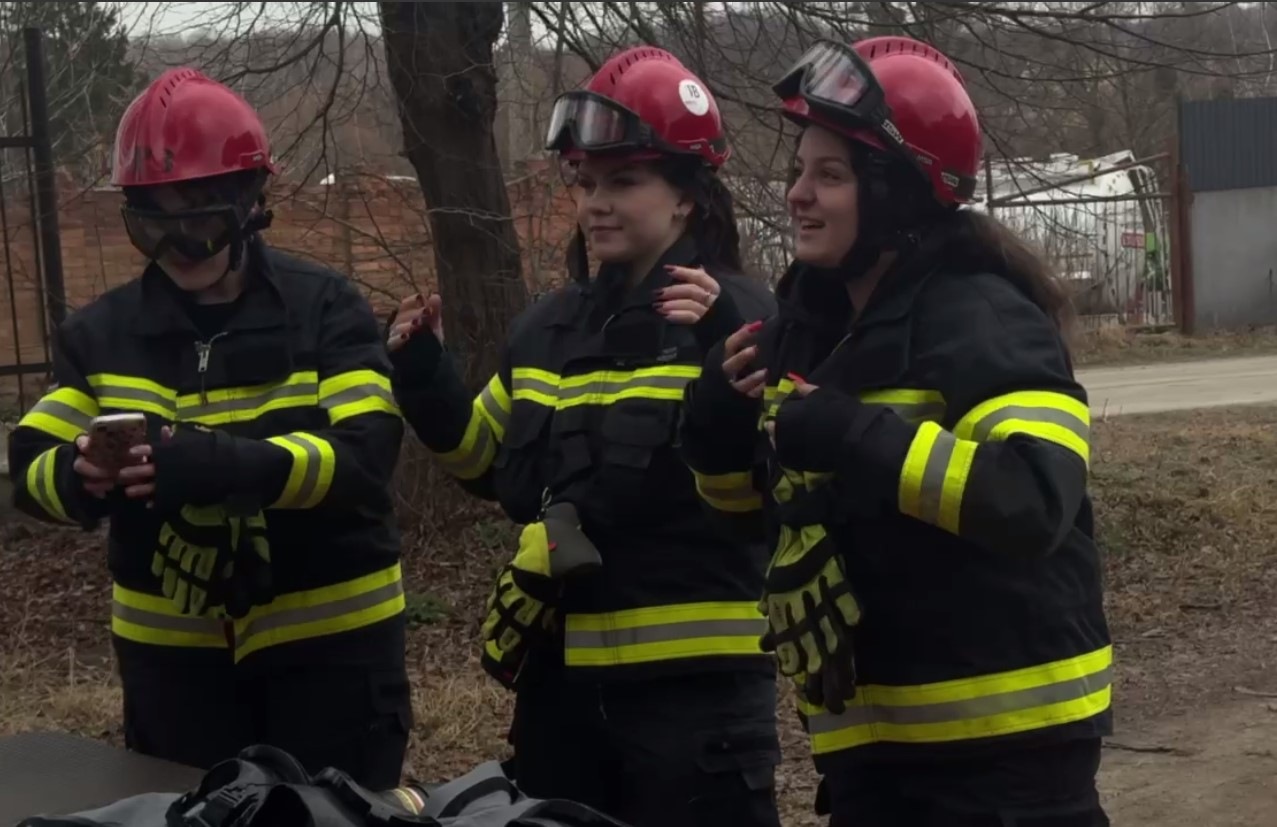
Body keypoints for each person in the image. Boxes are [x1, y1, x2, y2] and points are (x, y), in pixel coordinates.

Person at [676, 36, 1114, 827]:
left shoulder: (983, 318)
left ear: (897, 194)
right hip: (874, 765)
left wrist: (851, 434)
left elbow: (1032, 500)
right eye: (798, 170)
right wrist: (711, 427)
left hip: (1008, 771)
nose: (796, 194)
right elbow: (746, 520)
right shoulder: (809, 333)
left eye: (829, 175)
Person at [387, 46, 781, 827]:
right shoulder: (547, 329)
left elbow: (779, 480)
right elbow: (484, 459)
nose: (596, 203)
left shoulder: (743, 319)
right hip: (559, 693)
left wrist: (725, 346)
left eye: (623, 182)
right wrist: (424, 376)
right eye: (585, 183)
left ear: (687, 196)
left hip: (694, 700)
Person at [6, 68, 411, 788]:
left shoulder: (326, 310)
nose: (178, 246)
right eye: (154, 224)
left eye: (199, 219)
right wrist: (80, 477)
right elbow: (28, 460)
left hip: (331, 656)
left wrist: (223, 466)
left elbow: (365, 458)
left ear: (250, 205)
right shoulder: (100, 335)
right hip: (175, 671)